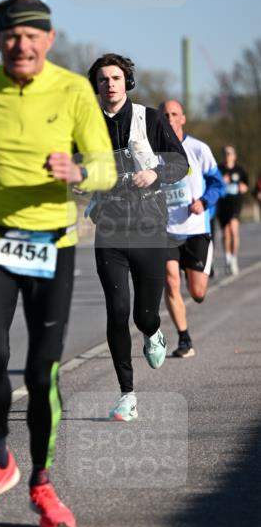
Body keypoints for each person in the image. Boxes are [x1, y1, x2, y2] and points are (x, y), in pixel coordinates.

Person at [0, 0, 116, 527]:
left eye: (30, 36)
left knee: (42, 372)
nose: (20, 45)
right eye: (10, 36)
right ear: (1, 40)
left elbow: (107, 165)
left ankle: (42, 481)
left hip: (50, 245)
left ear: (49, 40)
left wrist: (79, 171)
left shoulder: (74, 90)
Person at [86, 55, 188, 421]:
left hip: (149, 228)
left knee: (144, 314)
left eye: (115, 78)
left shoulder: (150, 119)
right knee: (116, 312)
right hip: (110, 230)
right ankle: (127, 394)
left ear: (126, 82)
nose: (109, 84)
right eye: (102, 79)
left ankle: (154, 331)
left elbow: (181, 162)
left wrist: (155, 174)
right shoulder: (85, 124)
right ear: (96, 86)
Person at [160, 100, 225, 357]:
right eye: (165, 114)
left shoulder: (198, 149)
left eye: (174, 114)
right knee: (170, 281)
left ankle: (194, 271)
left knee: (197, 293)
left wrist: (204, 201)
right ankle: (184, 339)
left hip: (197, 228)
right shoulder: (151, 152)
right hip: (166, 230)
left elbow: (217, 184)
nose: (169, 118)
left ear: (183, 118)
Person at [216, 145, 249, 275]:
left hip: (235, 204)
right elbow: (214, 184)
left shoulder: (240, 170)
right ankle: (227, 258)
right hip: (223, 204)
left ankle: (234, 259)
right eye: (225, 153)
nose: (227, 156)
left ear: (234, 156)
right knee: (226, 233)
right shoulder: (219, 169)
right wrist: (222, 182)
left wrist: (243, 187)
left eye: (230, 153)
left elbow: (246, 185)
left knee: (234, 231)